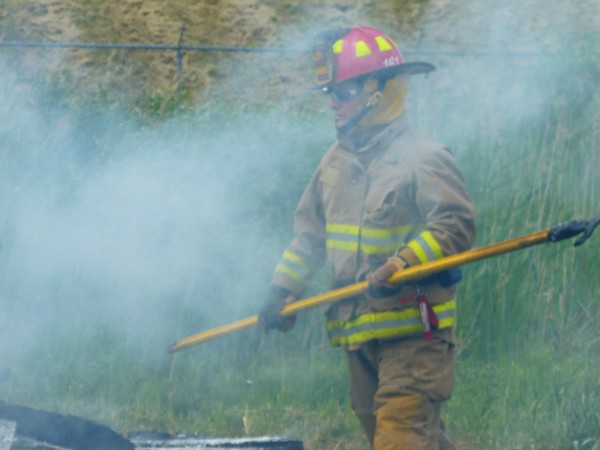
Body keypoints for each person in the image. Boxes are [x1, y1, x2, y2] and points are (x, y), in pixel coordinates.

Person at [259, 25, 475, 449]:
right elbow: (310, 236)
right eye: (330, 93)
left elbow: (455, 224)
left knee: (399, 439)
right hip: (358, 333)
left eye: (344, 92)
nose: (333, 104)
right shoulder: (334, 162)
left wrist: (402, 263)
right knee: (405, 437)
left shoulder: (423, 157)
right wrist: (282, 290)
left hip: (414, 334)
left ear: (380, 91)